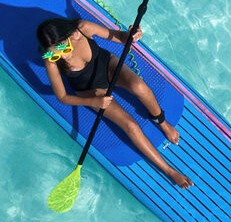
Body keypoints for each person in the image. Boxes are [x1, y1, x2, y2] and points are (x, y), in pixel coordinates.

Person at [36, 17, 193, 188]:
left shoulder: (83, 28)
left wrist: (131, 35)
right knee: (131, 126)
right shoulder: (51, 60)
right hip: (91, 90)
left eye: (62, 48)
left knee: (139, 86)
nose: (62, 56)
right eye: (53, 53)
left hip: (108, 66)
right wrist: (93, 101)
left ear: (72, 35)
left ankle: (161, 121)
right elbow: (63, 97)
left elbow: (118, 36)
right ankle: (169, 170)